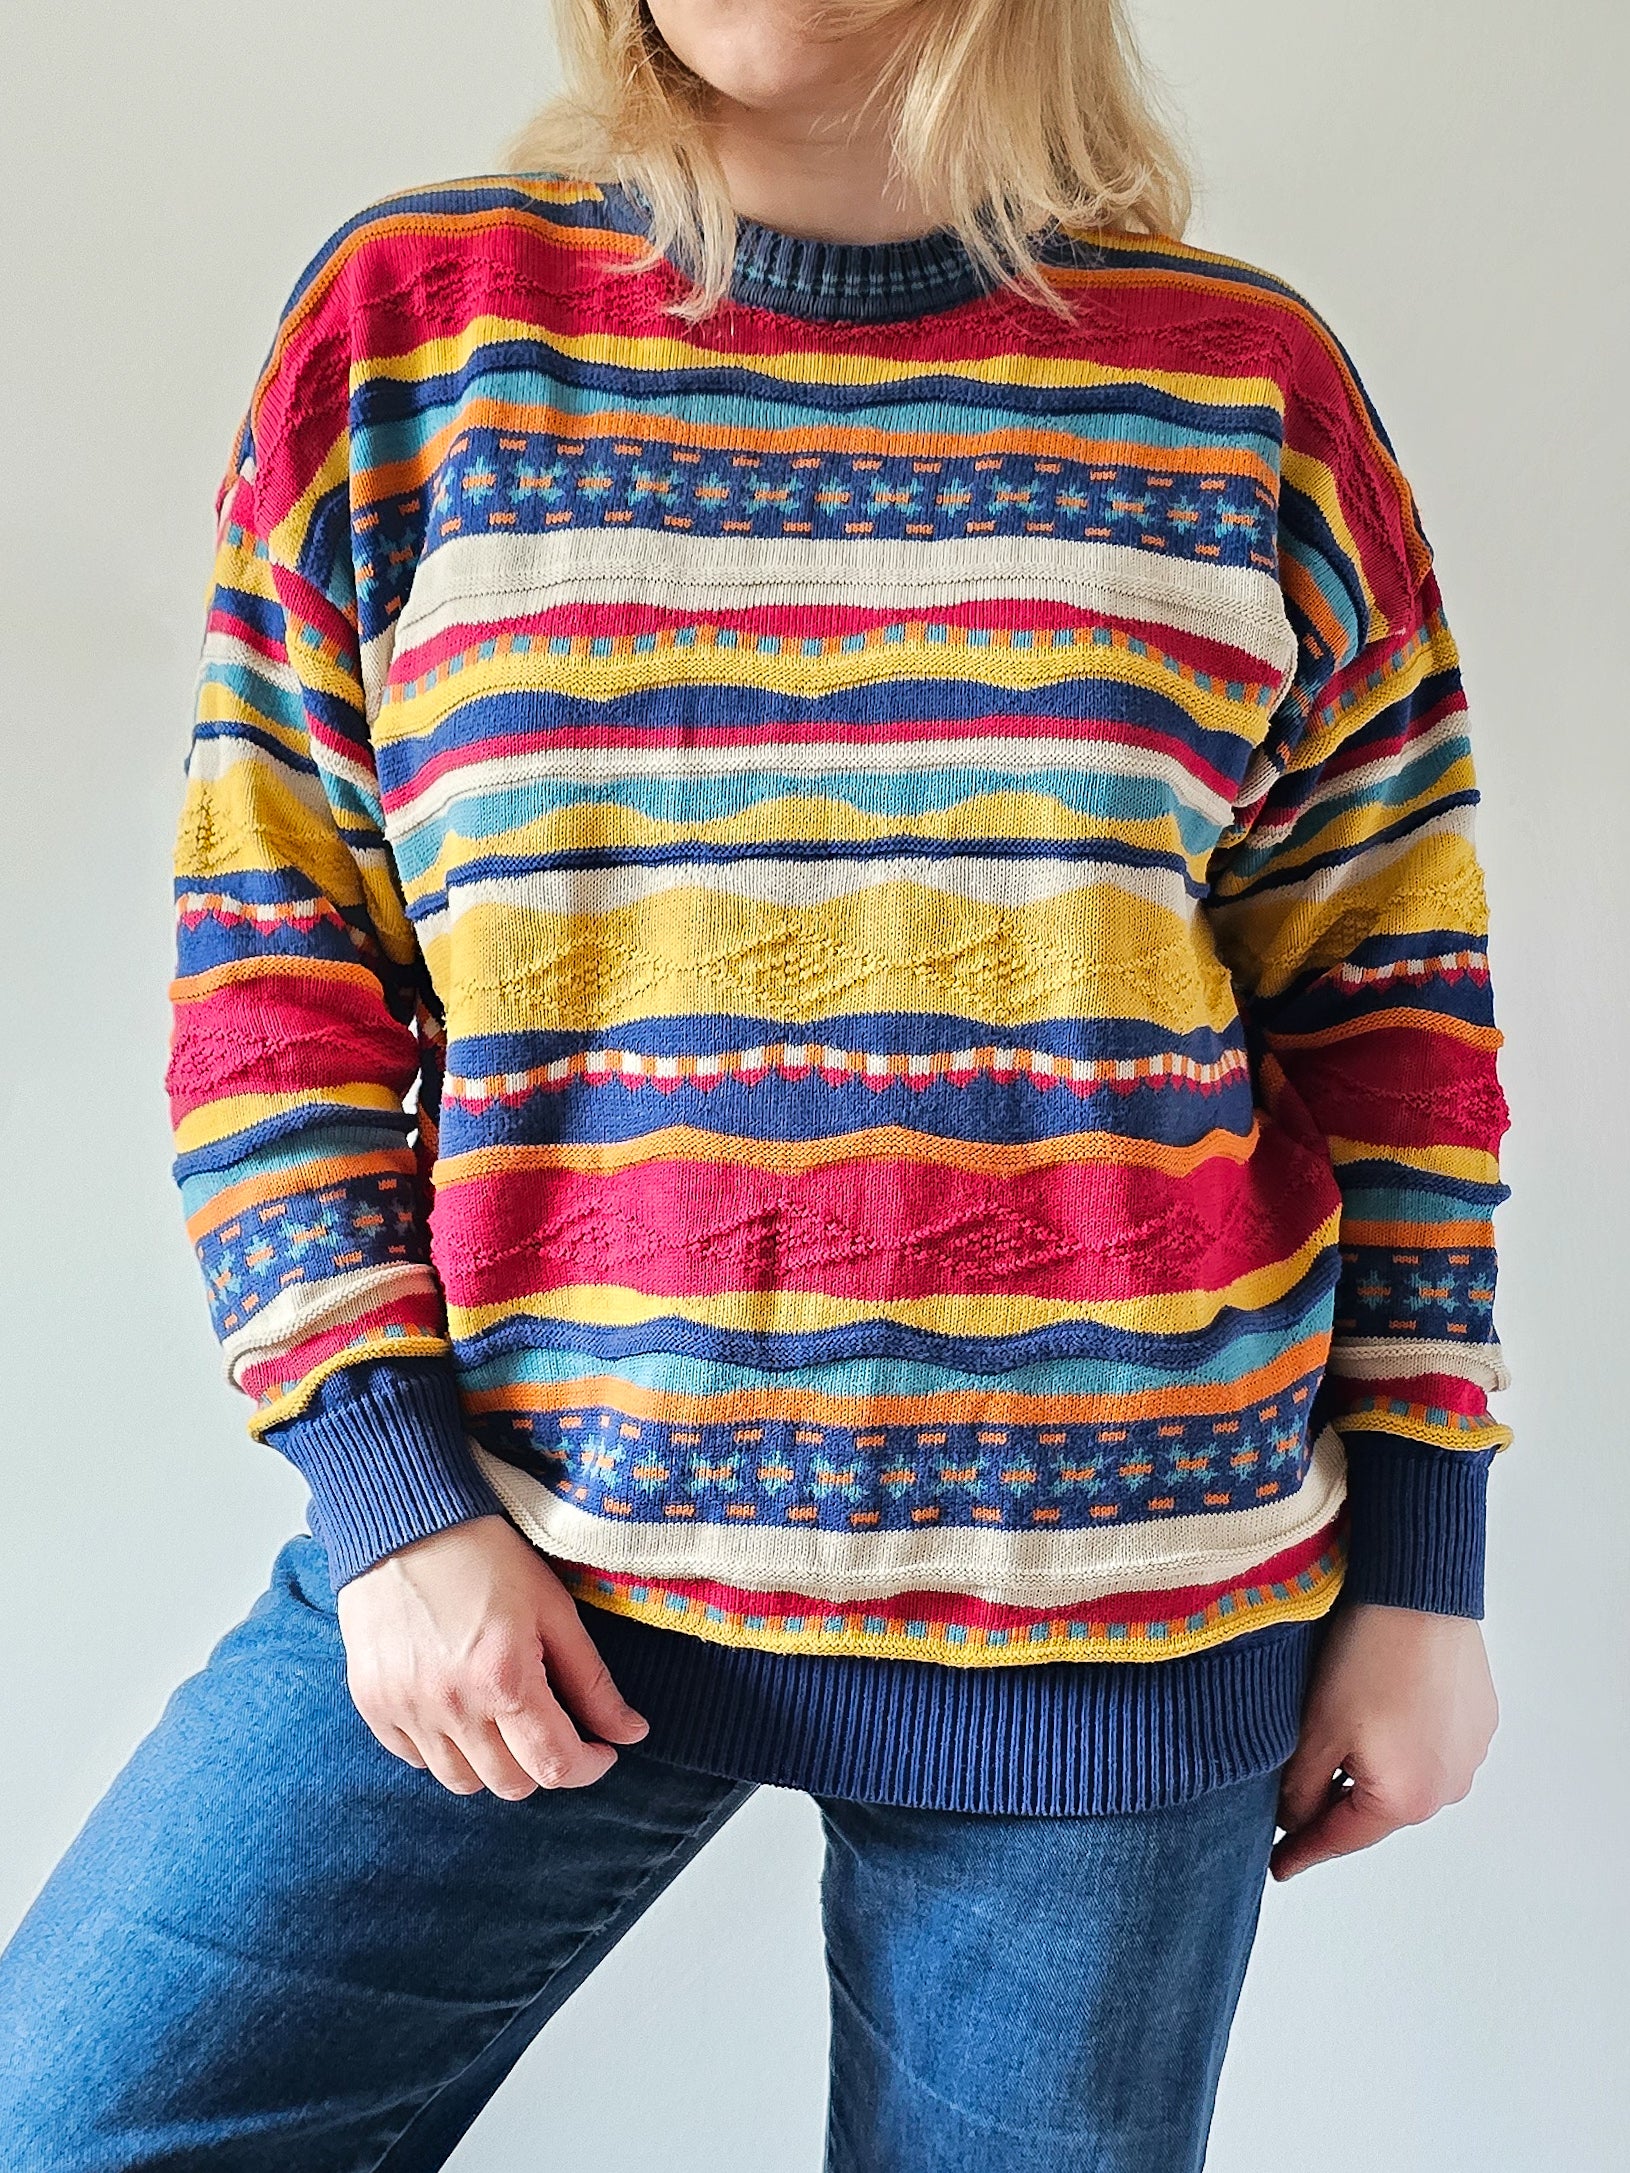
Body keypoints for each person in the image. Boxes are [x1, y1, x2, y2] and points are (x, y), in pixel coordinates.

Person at [0, 2, 1512, 2166]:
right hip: (523, 1547)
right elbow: (276, 965)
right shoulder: (418, 333)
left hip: (1120, 1600)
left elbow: (1390, 1013)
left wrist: (1425, 1561)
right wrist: (390, 1497)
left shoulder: (1237, 388)